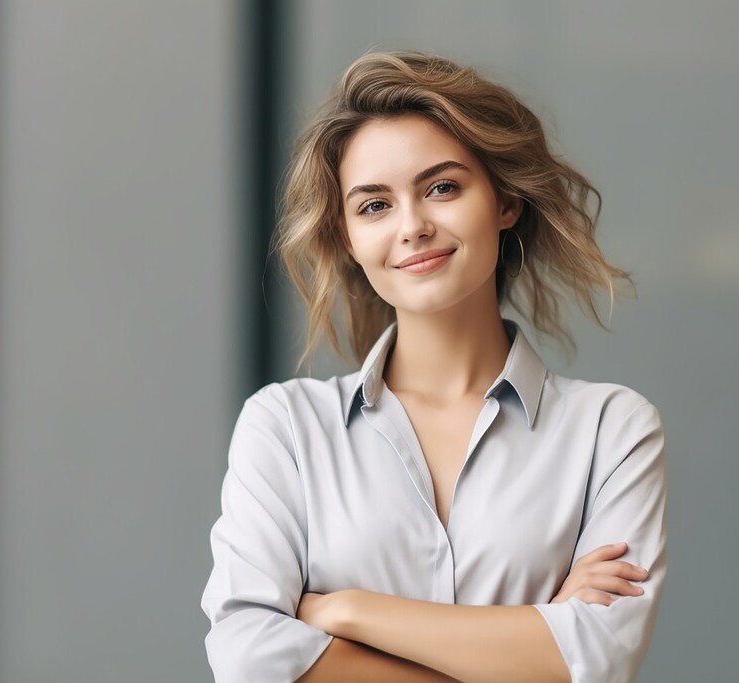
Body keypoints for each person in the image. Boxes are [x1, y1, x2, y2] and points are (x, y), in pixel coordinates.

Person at [201, 51, 667, 683]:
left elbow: (601, 659)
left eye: (442, 187)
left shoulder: (610, 431)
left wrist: (346, 611)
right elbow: (248, 657)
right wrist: (534, 644)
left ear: (504, 202)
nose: (413, 226)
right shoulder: (284, 429)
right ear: (346, 237)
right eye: (373, 206)